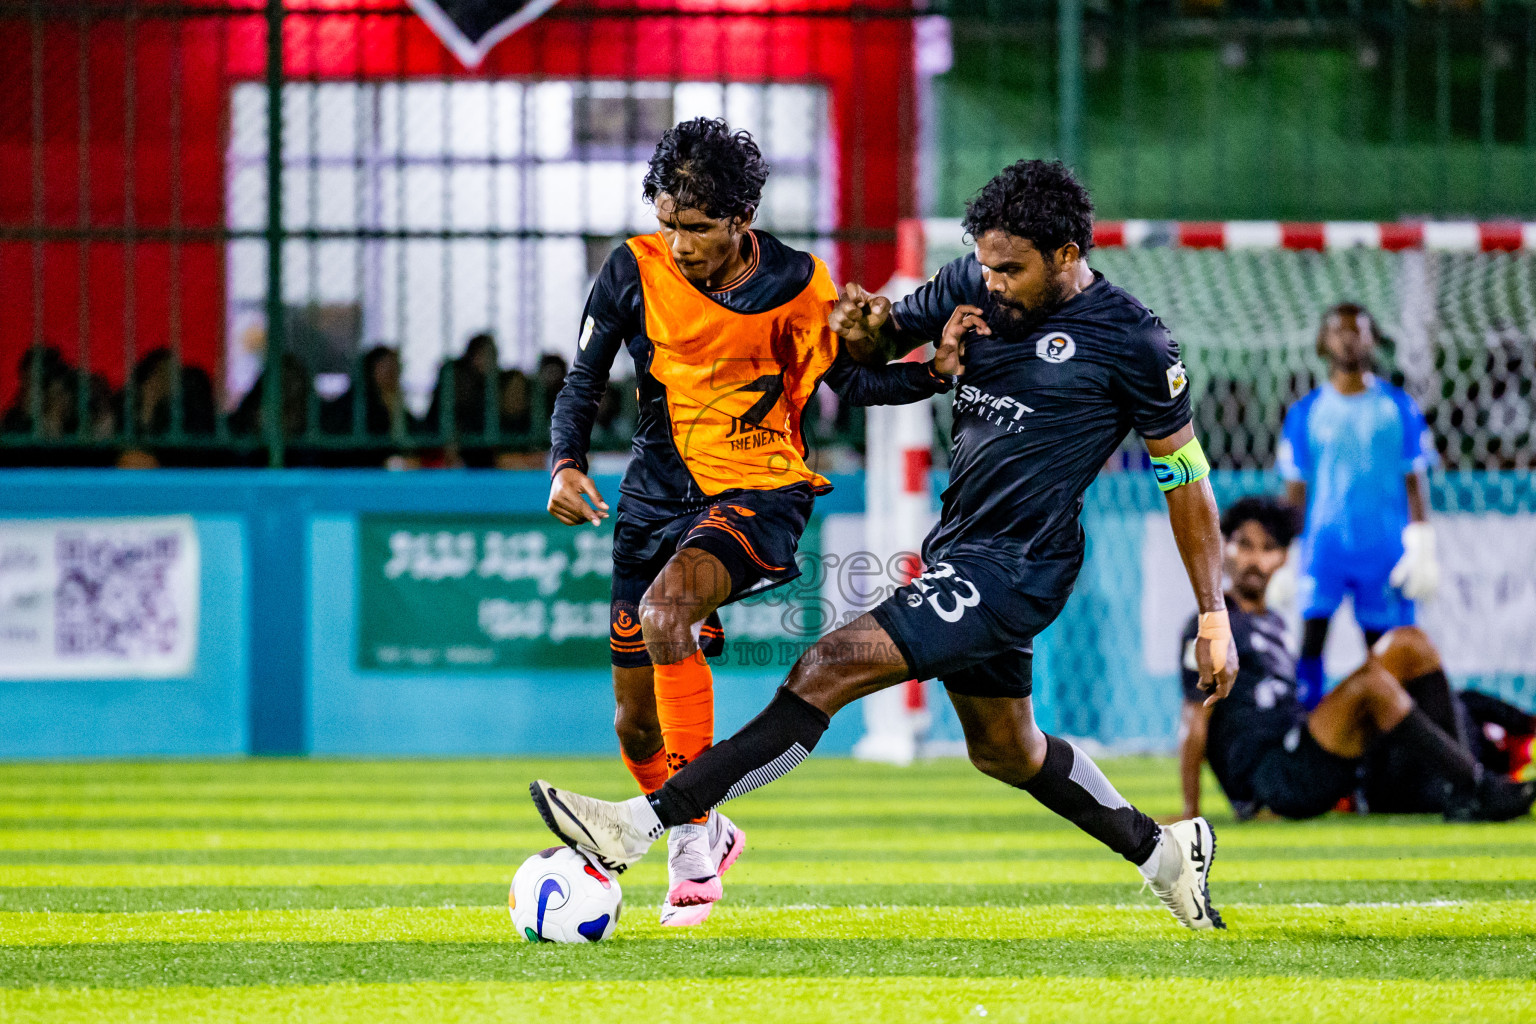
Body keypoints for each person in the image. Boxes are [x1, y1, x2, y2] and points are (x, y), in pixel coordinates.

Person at [533, 158, 1241, 932]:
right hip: (959, 549)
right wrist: (865, 326)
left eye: (1012, 269)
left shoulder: (1132, 339)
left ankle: (643, 825)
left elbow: (1186, 479)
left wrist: (1213, 614)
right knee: (1007, 749)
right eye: (985, 265)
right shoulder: (966, 287)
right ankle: (1165, 853)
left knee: (825, 666)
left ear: (1068, 255)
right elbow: (862, 354)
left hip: (1019, 565)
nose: (993, 284)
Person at [544, 117, 959, 928]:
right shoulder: (631, 269)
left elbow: (852, 383)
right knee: (633, 720)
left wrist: (931, 376)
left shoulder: (803, 285)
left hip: (762, 491)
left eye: (695, 228)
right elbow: (583, 377)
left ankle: (689, 834)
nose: (679, 242)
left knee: (669, 613)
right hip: (654, 501)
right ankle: (711, 824)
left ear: (743, 218)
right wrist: (566, 462)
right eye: (667, 222)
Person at [1176, 495, 1533, 823]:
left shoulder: (1275, 623)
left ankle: (1459, 788)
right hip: (1271, 779)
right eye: (1244, 545)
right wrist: (1192, 812)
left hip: (1300, 750)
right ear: (1224, 548)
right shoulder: (1210, 624)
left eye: (1268, 548)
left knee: (1409, 642)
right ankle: (1476, 785)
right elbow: (1195, 717)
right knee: (1369, 685)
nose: (1255, 559)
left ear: (1283, 557)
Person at [1278, 304, 1438, 708]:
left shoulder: (1398, 408)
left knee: (1383, 649)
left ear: (1373, 339)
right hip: (1325, 550)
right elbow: (1295, 491)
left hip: (1382, 551)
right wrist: (1281, 552)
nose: (1348, 338)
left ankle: (1385, 737)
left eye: (1358, 330)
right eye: (1337, 330)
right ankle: (1306, 729)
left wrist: (1422, 543)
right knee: (1311, 640)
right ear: (1323, 341)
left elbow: (1414, 480)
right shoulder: (1306, 413)